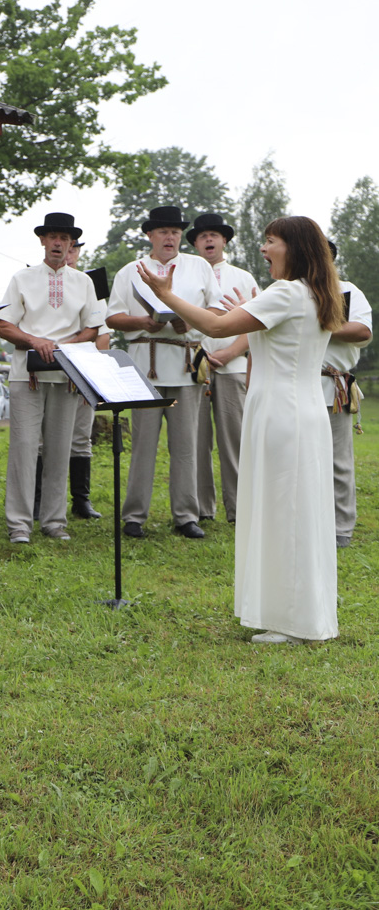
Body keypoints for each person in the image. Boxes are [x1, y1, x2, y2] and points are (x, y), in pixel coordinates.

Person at [138, 215, 341, 644]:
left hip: (280, 413)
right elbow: (267, 334)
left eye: (271, 241)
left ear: (295, 248)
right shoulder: (316, 293)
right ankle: (303, 613)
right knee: (300, 511)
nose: (264, 249)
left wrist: (166, 295)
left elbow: (212, 328)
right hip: (303, 410)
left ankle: (294, 621)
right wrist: (242, 314)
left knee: (285, 511)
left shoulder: (286, 292)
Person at [106, 205, 222, 539]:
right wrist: (144, 321)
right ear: (150, 235)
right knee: (142, 444)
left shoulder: (198, 266)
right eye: (162, 231)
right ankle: (134, 516)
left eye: (174, 231)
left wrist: (192, 319)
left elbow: (216, 309)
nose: (169, 237)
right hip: (146, 365)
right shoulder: (131, 270)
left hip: (186, 365)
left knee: (186, 445)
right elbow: (113, 318)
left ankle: (186, 515)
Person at [0, 213, 101, 544]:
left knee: (60, 449)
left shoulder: (84, 281)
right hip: (26, 373)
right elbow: (5, 325)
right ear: (42, 240)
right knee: (25, 448)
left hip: (67, 373)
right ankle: (19, 524)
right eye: (53, 237)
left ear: (72, 244)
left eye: (64, 239)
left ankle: (55, 521)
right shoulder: (22, 278)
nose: (58, 243)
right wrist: (37, 342)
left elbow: (93, 327)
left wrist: (64, 347)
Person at [188, 213, 257, 524]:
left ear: (224, 241)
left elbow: (257, 324)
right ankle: (202, 508)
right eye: (202, 237)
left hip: (232, 367)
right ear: (195, 244)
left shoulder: (243, 277)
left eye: (214, 235)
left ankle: (239, 509)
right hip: (194, 367)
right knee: (196, 441)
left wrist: (230, 353)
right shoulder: (184, 276)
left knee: (234, 441)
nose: (209, 240)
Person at [322, 250, 372, 548]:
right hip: (289, 385)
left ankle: (341, 526)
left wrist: (321, 326)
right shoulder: (286, 290)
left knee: (337, 460)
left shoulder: (347, 290)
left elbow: (362, 330)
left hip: (331, 385)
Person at [62, 239, 106, 520]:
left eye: (74, 248)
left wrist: (92, 371)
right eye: (64, 247)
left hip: (83, 368)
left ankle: (81, 501)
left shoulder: (92, 286)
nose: (68, 253)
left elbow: (102, 333)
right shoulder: (39, 280)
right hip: (50, 368)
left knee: (81, 437)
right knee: (44, 439)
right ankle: (40, 500)